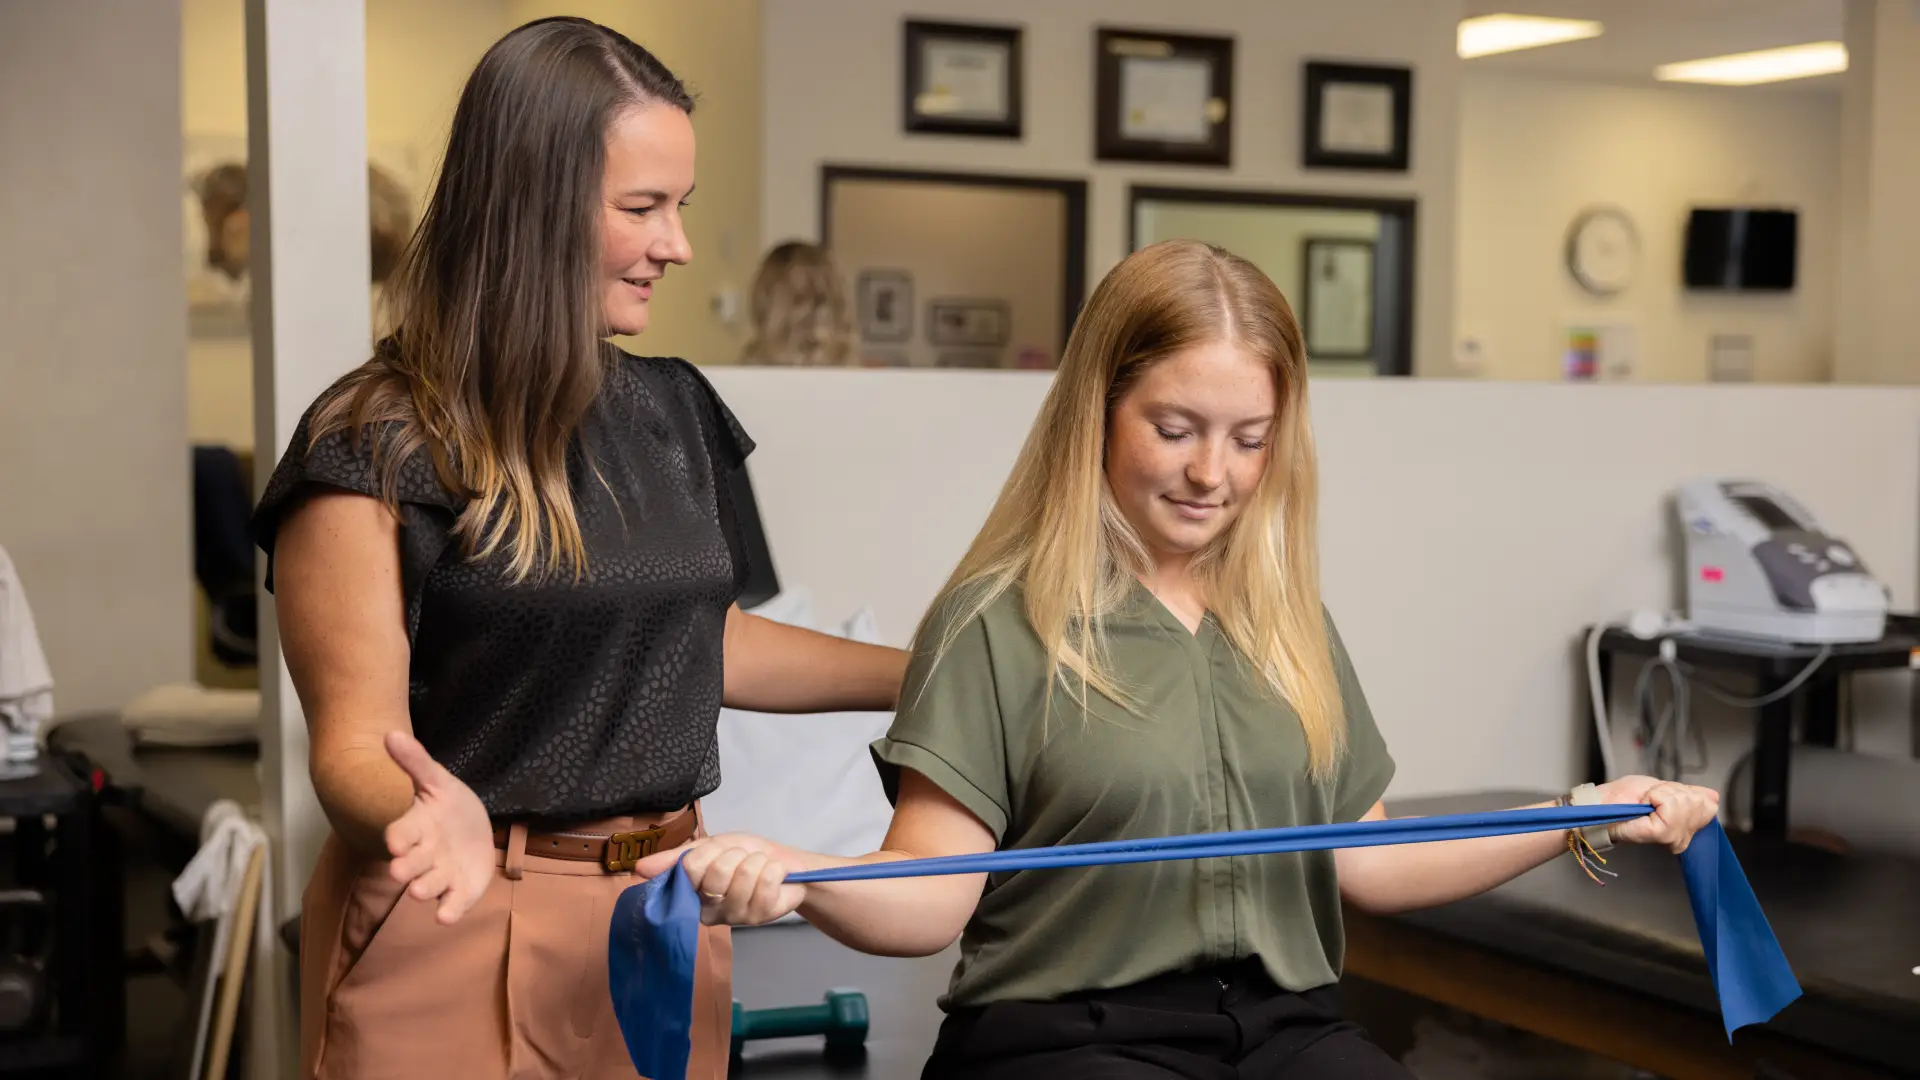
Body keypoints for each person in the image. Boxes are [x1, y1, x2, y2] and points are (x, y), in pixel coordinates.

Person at [641, 240, 1722, 1079]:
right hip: (1068, 1039)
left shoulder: (1287, 621)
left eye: (1250, 438)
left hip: (1283, 1030)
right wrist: (797, 883)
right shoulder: (996, 622)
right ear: (1100, 412)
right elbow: (931, 897)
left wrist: (1576, 814)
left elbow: (1373, 861)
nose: (1214, 472)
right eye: (1176, 428)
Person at [248, 17, 908, 1080]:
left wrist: (927, 678)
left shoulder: (675, 408)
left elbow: (705, 646)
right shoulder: (374, 443)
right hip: (458, 906)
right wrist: (429, 813)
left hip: (662, 908)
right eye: (642, 208)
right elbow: (351, 742)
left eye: (679, 208)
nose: (678, 245)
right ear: (532, 209)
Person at [737, 240, 856, 366]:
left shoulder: (851, 369)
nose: (813, 313)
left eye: (820, 299)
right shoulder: (746, 373)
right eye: (799, 299)